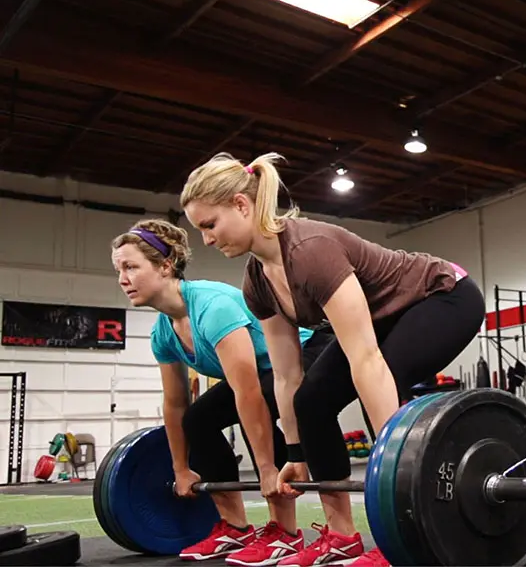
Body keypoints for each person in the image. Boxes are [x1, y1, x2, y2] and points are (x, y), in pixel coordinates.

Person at [179, 153, 486, 567]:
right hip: (383, 320)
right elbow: (287, 377)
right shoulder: (256, 281)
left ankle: (406, 531)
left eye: (209, 225)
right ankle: (341, 535)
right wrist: (296, 455)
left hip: (441, 295)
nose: (207, 240)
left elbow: (367, 360)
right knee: (311, 400)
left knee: (382, 379)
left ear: (241, 204)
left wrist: (394, 465)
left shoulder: (310, 250)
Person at [110, 218, 333, 566]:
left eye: (131, 267)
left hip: (308, 348)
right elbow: (175, 404)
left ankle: (284, 532)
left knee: (258, 400)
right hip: (260, 373)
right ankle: (234, 526)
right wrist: (181, 468)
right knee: (198, 418)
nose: (123, 279)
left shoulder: (213, 308)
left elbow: (248, 394)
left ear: (165, 266)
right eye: (119, 269)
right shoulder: (163, 333)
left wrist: (265, 468)